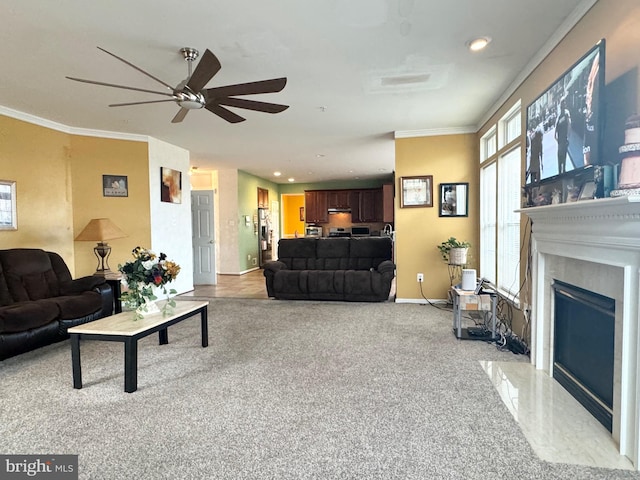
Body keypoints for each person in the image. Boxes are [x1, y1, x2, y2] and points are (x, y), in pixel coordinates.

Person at [555, 98, 571, 174]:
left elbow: (569, 125)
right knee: (560, 155)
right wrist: (557, 139)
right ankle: (560, 171)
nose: (563, 105)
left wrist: (568, 136)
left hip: (564, 139)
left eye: (563, 104)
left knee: (563, 155)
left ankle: (563, 170)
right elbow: (555, 131)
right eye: (562, 104)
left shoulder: (566, 113)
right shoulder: (559, 116)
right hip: (561, 140)